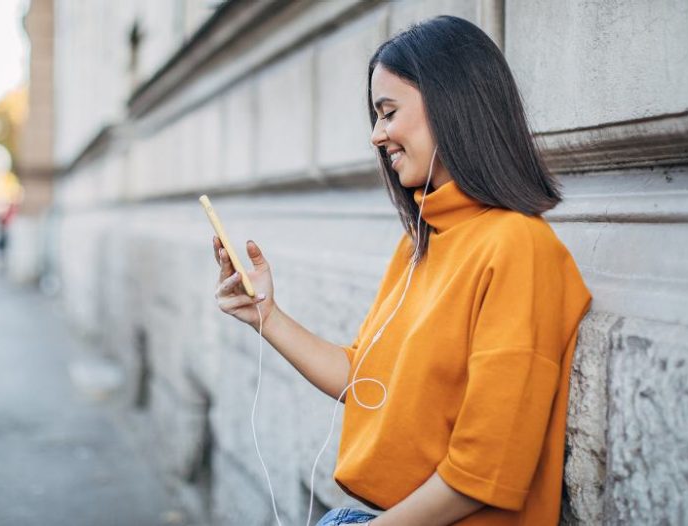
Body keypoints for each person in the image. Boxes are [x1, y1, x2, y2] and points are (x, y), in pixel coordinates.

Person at [212, 15, 592, 526]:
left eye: (388, 113)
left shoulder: (519, 249)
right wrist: (267, 316)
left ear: (451, 104)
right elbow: (362, 379)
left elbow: (484, 474)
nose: (376, 135)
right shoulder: (422, 243)